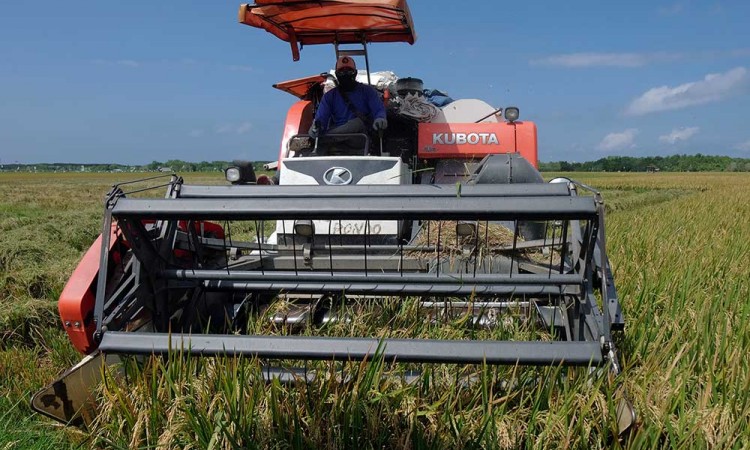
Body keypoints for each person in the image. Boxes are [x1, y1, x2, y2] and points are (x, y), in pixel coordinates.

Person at [309, 56, 387, 139]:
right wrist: (316, 128)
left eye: (349, 71)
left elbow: (378, 109)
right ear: (336, 74)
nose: (345, 74)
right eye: (341, 71)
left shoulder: (367, 91)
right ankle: (324, 140)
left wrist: (380, 118)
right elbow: (321, 119)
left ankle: (325, 139)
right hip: (336, 140)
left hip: (361, 138)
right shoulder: (329, 97)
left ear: (355, 73)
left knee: (357, 123)